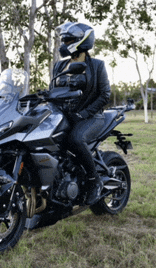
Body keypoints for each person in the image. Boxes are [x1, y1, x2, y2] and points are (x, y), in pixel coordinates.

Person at [52, 22, 111, 205]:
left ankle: (95, 182)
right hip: (63, 116)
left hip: (92, 117)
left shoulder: (97, 66)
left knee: (76, 140)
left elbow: (104, 95)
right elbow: (52, 91)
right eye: (63, 39)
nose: (64, 43)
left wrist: (84, 114)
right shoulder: (59, 66)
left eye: (68, 40)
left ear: (81, 42)